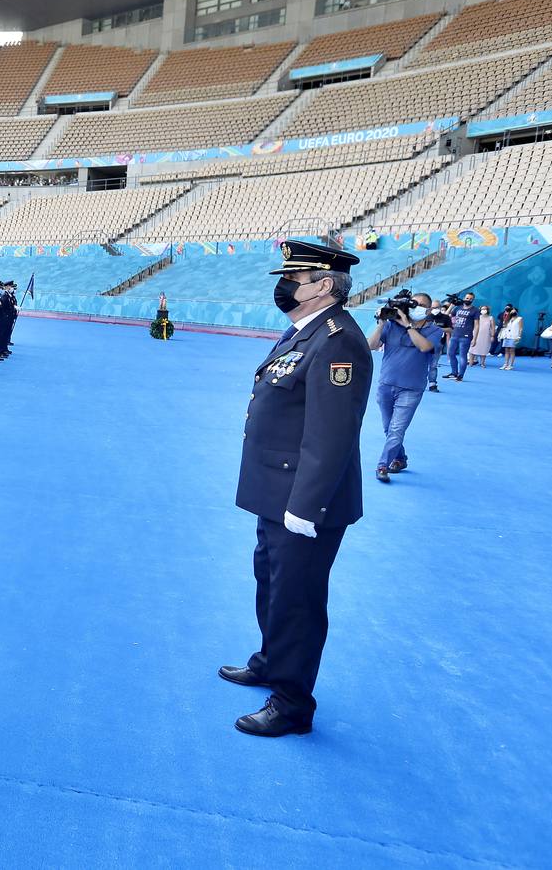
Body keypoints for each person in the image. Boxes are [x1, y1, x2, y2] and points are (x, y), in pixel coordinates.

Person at [220, 240, 371, 737]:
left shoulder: (337, 340)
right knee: (271, 581)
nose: (283, 288)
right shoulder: (303, 332)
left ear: (323, 286)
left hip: (304, 500)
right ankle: (270, 660)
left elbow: (331, 435)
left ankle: (291, 702)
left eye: (293, 280)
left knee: (298, 600)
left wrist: (306, 506)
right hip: (276, 491)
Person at [368, 292, 441, 483]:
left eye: (422, 305)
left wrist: (408, 325)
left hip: (411, 388)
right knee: (388, 428)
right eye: (414, 304)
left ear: (429, 309)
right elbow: (371, 345)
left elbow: (425, 347)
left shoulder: (434, 330)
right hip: (386, 384)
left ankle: (383, 464)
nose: (417, 307)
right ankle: (400, 458)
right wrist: (382, 322)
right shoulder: (392, 325)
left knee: (396, 429)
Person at [445, 292, 476, 381]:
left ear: (473, 300)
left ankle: (460, 375)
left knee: (462, 355)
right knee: (450, 353)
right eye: (467, 298)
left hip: (466, 336)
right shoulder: (458, 308)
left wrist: (475, 338)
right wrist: (452, 305)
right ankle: (454, 372)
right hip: (455, 334)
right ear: (464, 298)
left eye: (470, 299)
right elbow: (446, 315)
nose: (468, 300)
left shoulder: (475, 310)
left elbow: (477, 325)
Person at [469, 304, 496, 368]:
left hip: (486, 336)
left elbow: (492, 327)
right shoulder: (477, 317)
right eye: (482, 309)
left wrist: (492, 336)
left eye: (485, 309)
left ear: (487, 310)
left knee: (484, 349)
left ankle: (482, 363)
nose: (484, 310)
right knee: (472, 348)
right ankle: (471, 362)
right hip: (476, 335)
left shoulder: (490, 318)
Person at [498, 306, 523, 370]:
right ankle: (505, 364)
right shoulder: (508, 319)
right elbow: (504, 326)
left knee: (512, 350)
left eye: (514, 310)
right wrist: (506, 317)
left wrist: (519, 336)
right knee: (506, 350)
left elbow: (520, 328)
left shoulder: (519, 319)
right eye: (512, 310)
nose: (512, 311)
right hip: (506, 336)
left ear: (516, 312)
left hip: (514, 336)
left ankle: (511, 365)